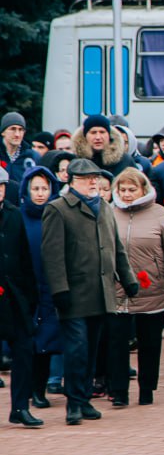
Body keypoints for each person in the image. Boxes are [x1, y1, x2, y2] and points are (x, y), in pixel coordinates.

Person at [41, 157, 139, 424]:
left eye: (96, 178)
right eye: (87, 178)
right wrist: (59, 289)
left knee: (93, 349)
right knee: (77, 349)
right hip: (73, 294)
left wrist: (127, 278)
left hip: (101, 291)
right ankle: (73, 403)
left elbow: (115, 247)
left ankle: (83, 400)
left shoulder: (105, 209)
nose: (93, 182)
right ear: (72, 181)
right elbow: (52, 255)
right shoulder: (58, 209)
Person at [110, 168, 164, 406]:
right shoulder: (109, 213)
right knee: (116, 345)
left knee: (149, 344)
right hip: (117, 290)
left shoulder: (160, 214)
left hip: (151, 288)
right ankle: (119, 392)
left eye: (132, 189)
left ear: (143, 189)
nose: (126, 195)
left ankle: (147, 389)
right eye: (122, 190)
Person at [20, 167, 62, 411]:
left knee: (46, 343)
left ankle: (39, 390)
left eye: (44, 188)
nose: (40, 193)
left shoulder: (56, 215)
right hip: (25, 288)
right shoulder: (19, 216)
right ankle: (24, 391)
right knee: (26, 343)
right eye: (35, 188)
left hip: (50, 287)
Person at [0, 166, 39, 426]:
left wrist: (29, 297)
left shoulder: (14, 215)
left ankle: (20, 408)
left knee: (24, 350)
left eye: (2, 187)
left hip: (14, 297)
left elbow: (25, 258)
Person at [1, 112, 39, 177]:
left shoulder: (32, 156)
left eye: (21, 130)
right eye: (13, 129)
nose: (17, 134)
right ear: (3, 132)